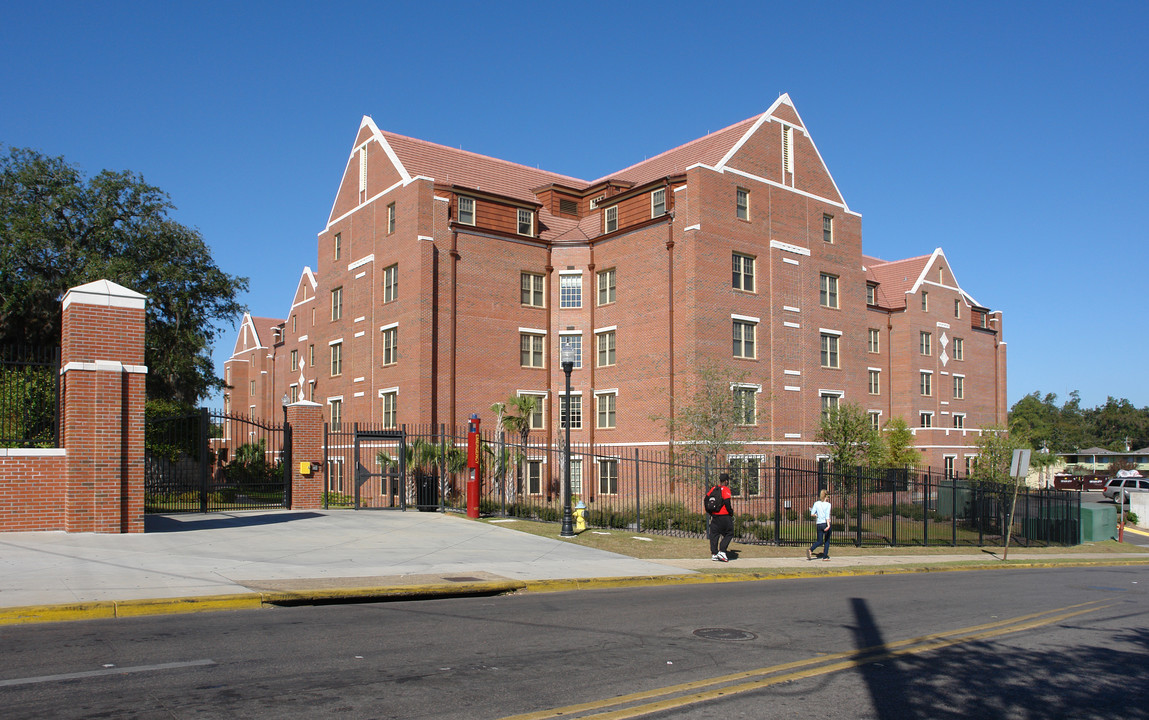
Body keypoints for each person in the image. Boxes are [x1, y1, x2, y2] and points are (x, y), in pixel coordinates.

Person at [707, 473, 735, 562]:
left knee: (714, 534)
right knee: (729, 533)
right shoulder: (726, 489)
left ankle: (714, 553)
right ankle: (722, 551)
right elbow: (727, 502)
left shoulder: (714, 489)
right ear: (726, 481)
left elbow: (705, 499)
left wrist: (710, 512)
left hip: (715, 516)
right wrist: (731, 512)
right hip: (724, 516)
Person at [807, 489, 832, 561]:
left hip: (819, 524)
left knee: (819, 541)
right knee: (827, 541)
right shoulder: (828, 505)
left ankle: (811, 549)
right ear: (826, 496)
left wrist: (817, 515)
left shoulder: (816, 503)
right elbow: (827, 516)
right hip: (825, 523)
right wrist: (828, 525)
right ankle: (825, 556)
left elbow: (812, 513)